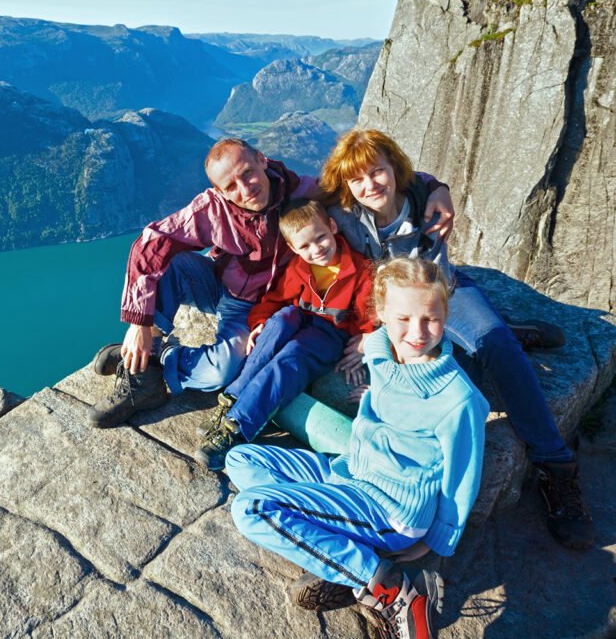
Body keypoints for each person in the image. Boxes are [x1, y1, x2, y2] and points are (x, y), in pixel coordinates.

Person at [323, 129, 594, 550]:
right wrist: (370, 332)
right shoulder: (341, 214)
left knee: (493, 346)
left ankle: (556, 467)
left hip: (446, 290)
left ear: (394, 169)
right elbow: (293, 201)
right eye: (357, 179)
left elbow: (422, 177)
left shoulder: (419, 197)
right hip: (398, 311)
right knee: (451, 378)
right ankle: (497, 334)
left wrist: (439, 188)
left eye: (378, 172)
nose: (370, 185)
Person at [87, 138, 455, 428]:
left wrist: (436, 187)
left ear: (262, 159)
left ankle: (159, 358)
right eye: (230, 186)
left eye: (247, 173)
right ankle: (138, 374)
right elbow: (151, 242)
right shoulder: (211, 209)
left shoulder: (298, 191)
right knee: (170, 262)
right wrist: (140, 324)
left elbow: (361, 179)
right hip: (215, 284)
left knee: (221, 372)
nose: (245, 189)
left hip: (255, 305)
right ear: (218, 191)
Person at [228, 258, 489, 639]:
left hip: (391, 507)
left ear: (445, 313)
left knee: (251, 508)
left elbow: (463, 474)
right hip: (351, 471)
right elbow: (383, 370)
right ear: (381, 313)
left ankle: (391, 588)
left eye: (430, 319)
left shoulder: (458, 399)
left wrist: (432, 542)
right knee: (241, 458)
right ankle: (339, 545)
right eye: (403, 318)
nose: (417, 332)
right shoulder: (382, 347)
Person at [193, 198, 376, 470]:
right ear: (293, 248)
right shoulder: (298, 268)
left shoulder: (360, 271)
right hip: (299, 319)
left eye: (321, 238)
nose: (316, 249)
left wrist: (364, 341)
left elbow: (369, 315)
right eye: (305, 246)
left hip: (329, 335)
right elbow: (274, 300)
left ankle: (239, 426)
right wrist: (259, 324)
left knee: (292, 355)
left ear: (333, 227)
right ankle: (231, 399)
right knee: (281, 320)